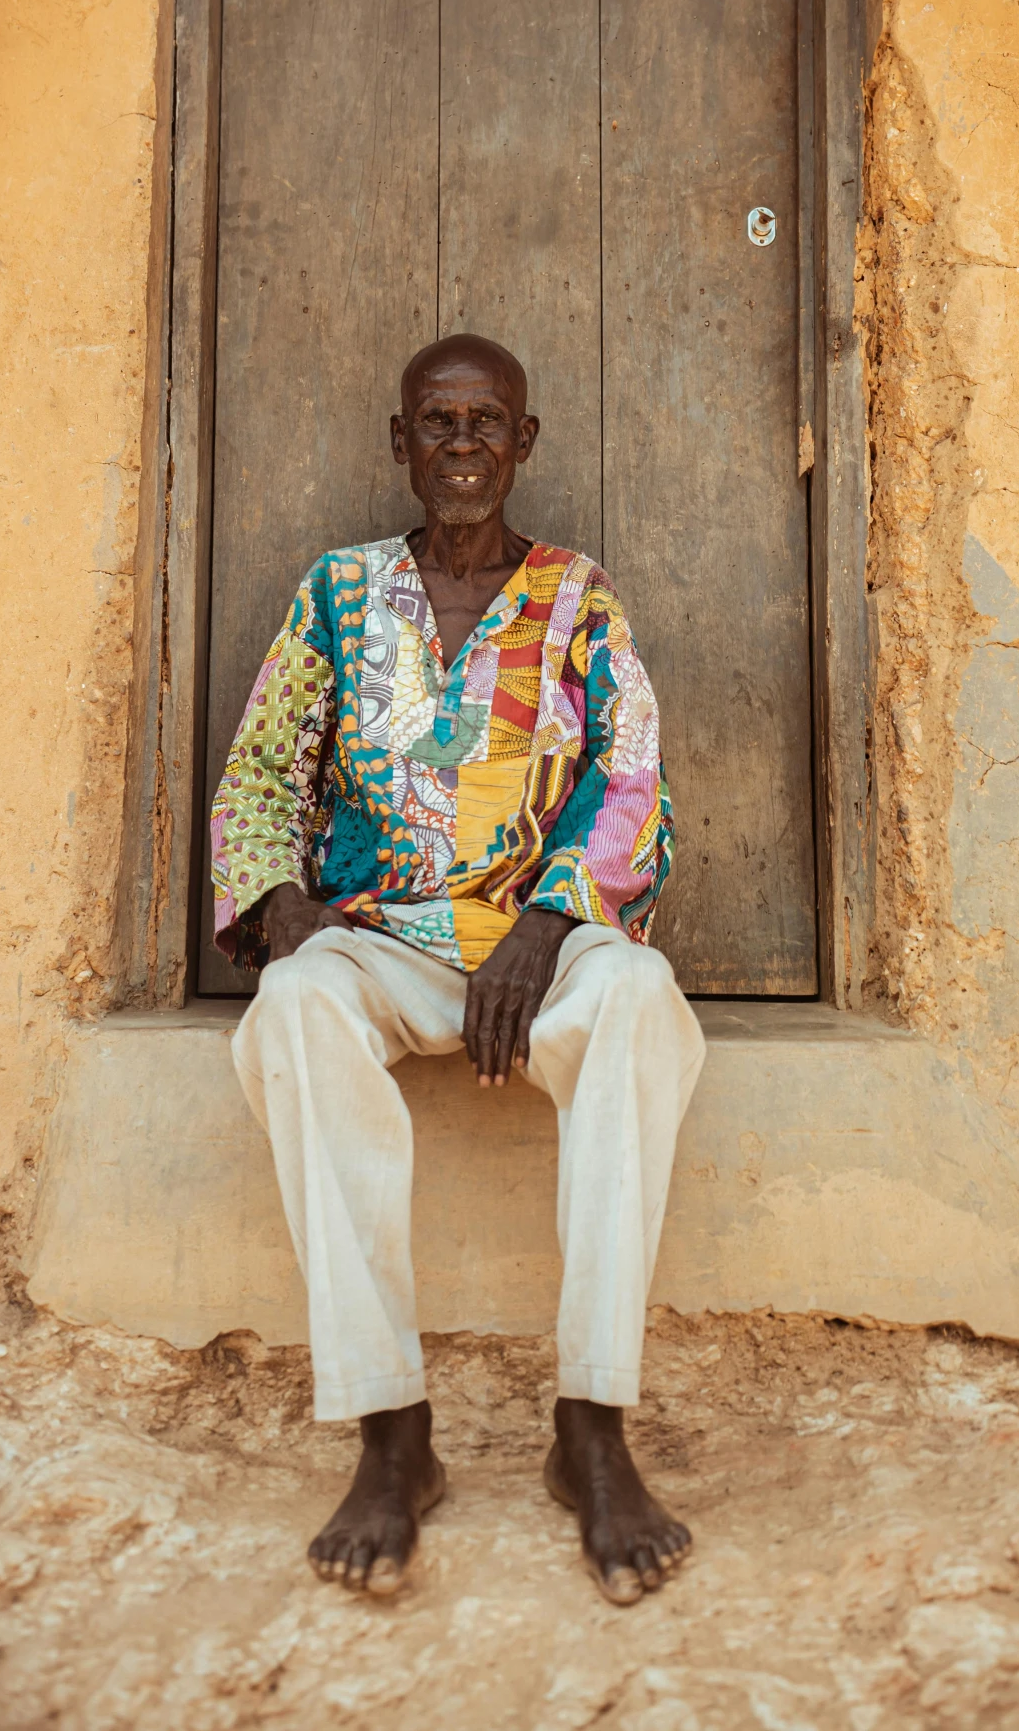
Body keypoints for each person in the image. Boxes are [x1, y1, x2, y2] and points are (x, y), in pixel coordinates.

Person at [211, 333, 706, 1605]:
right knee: (295, 1007)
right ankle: (393, 1433)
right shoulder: (336, 591)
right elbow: (265, 771)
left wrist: (549, 925)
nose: (466, 445)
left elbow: (630, 778)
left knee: (642, 1004)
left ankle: (588, 1427)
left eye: (490, 423)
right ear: (401, 442)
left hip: (539, 948)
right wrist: (282, 909)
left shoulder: (579, 597)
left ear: (525, 443)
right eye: (439, 422)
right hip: (387, 940)